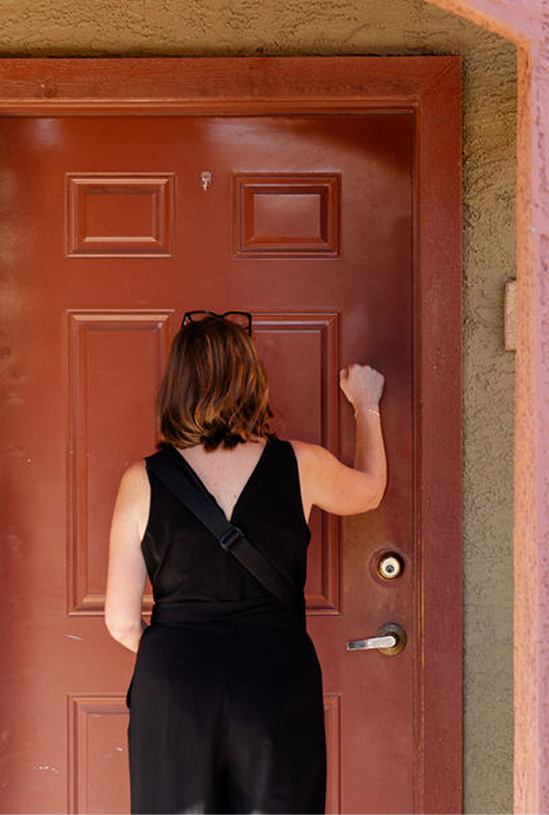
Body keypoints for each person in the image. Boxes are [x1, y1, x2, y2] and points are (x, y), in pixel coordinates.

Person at [103, 310, 387, 815]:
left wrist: (184, 655)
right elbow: (369, 493)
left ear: (177, 386)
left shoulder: (142, 480)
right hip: (275, 676)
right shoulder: (301, 464)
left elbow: (122, 622)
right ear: (251, 380)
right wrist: (367, 406)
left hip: (176, 683)